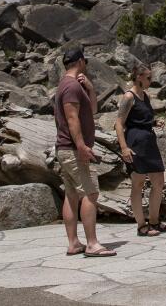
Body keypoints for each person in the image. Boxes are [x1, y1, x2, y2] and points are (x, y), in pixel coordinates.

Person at [53, 46, 115, 257]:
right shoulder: (70, 86)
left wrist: (90, 89)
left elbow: (93, 110)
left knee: (71, 194)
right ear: (80, 61)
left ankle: (74, 243)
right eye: (85, 62)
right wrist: (81, 146)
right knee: (91, 192)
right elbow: (72, 118)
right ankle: (92, 244)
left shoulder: (68, 85)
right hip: (72, 149)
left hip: (65, 149)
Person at [115, 64, 166, 237]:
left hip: (149, 142)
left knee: (158, 182)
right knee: (138, 184)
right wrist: (124, 147)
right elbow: (119, 123)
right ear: (139, 77)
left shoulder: (145, 96)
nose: (151, 80)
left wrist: (154, 122)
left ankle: (155, 221)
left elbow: (141, 118)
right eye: (148, 77)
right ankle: (141, 225)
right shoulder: (129, 96)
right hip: (135, 143)